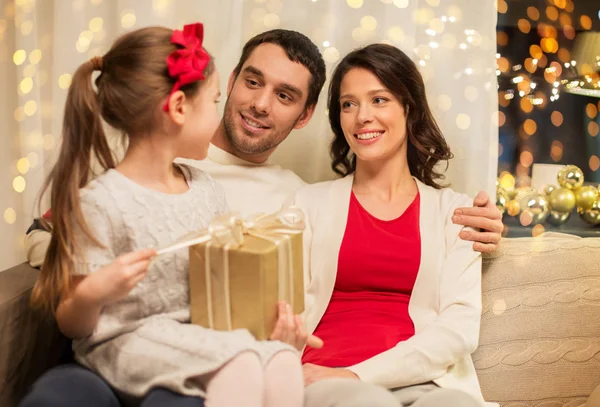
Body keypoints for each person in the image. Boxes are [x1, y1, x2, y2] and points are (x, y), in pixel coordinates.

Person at [21, 29, 502, 407]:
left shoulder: (288, 194)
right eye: (253, 82)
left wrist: (488, 229)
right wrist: (80, 268)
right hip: (132, 348)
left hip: (216, 360)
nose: (261, 103)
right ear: (227, 84)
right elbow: (54, 234)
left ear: (306, 115)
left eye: (285, 95)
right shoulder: (142, 163)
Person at [21, 23, 304, 407]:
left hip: (188, 337)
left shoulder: (206, 189)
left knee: (283, 359)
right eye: (214, 102)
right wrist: (94, 291)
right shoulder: (103, 201)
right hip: (123, 344)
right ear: (178, 109)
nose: (219, 117)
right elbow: (73, 322)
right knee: (240, 363)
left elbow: (220, 278)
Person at [288, 43, 490, 407]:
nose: (362, 116)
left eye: (379, 100)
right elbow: (284, 309)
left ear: (408, 108)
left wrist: (362, 373)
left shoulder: (455, 213)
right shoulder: (308, 203)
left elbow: (459, 329)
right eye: (348, 104)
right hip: (326, 377)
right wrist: (345, 377)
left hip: (426, 382)